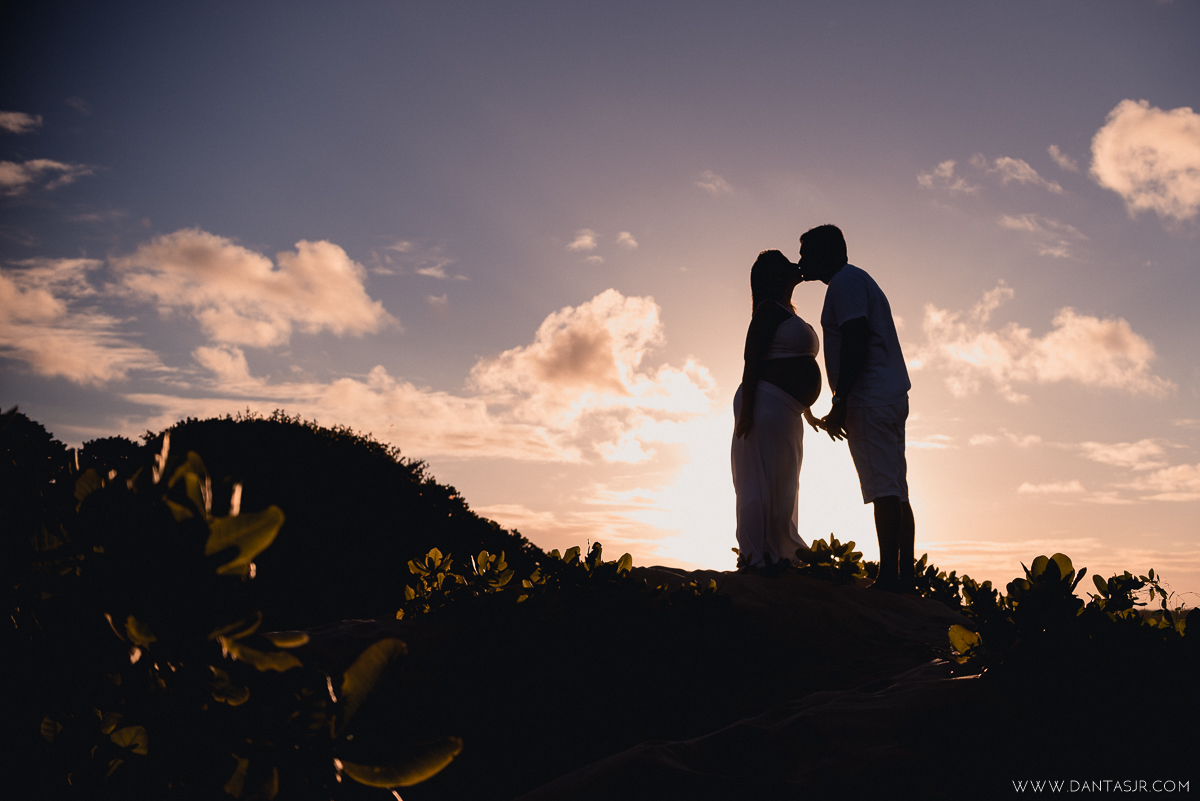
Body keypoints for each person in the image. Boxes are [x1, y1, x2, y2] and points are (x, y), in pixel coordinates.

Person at [798, 224, 915, 593]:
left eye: (806, 253)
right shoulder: (858, 279)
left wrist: (841, 398)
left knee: (884, 490)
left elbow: (856, 336)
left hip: (870, 398)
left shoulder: (843, 285)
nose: (801, 261)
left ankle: (890, 579)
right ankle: (904, 577)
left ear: (827, 253)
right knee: (897, 490)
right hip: (890, 396)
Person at [732, 249, 823, 568]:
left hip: (784, 408)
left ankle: (778, 552)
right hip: (764, 402)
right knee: (761, 479)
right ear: (774, 276)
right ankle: (758, 556)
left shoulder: (786, 311)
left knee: (785, 480)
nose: (794, 267)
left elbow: (790, 361)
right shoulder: (769, 310)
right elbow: (752, 358)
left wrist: (807, 408)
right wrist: (747, 412)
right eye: (785, 265)